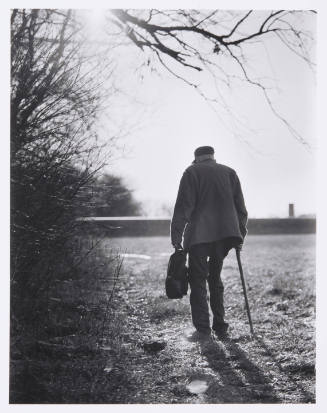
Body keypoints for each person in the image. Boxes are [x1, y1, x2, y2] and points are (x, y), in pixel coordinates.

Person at [170, 146, 248, 339]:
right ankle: (220, 326)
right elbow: (241, 209)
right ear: (212, 157)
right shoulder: (229, 172)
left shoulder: (191, 172)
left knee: (197, 280)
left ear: (196, 158)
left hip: (199, 236)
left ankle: (203, 329)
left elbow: (183, 207)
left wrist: (176, 237)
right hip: (225, 235)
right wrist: (240, 235)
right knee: (215, 278)